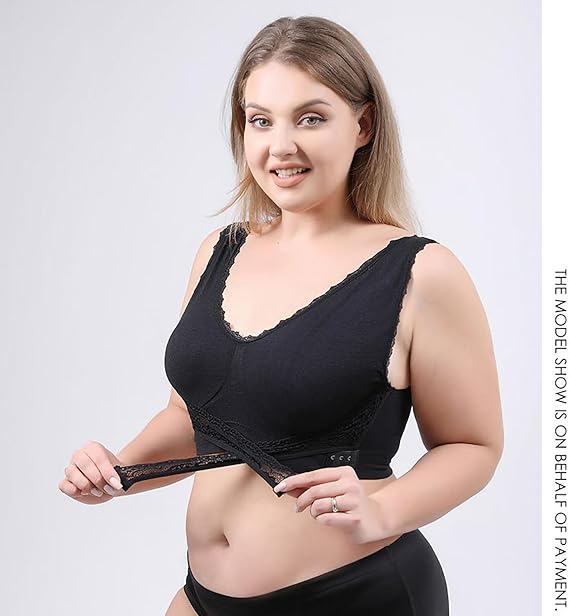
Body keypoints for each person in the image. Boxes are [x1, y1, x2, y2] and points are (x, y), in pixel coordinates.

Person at [58, 15, 504, 616]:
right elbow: (191, 417)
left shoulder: (421, 273)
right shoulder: (220, 251)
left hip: (355, 595)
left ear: (364, 125)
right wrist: (117, 468)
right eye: (260, 120)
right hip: (203, 596)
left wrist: (384, 509)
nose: (280, 146)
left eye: (310, 118)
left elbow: (473, 445)